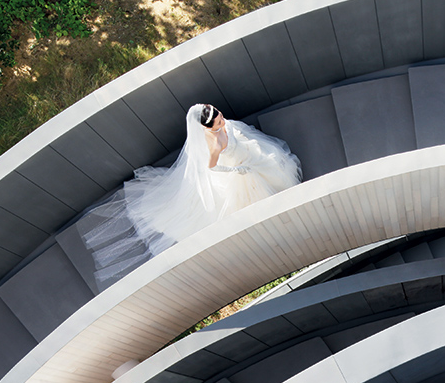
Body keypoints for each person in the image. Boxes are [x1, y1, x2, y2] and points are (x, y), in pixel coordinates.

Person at [80, 103, 302, 287]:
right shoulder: (214, 144)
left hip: (249, 157)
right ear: (208, 127)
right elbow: (212, 167)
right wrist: (236, 170)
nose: (222, 120)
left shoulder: (223, 123)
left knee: (276, 173)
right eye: (218, 121)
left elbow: (230, 128)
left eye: (220, 115)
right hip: (240, 169)